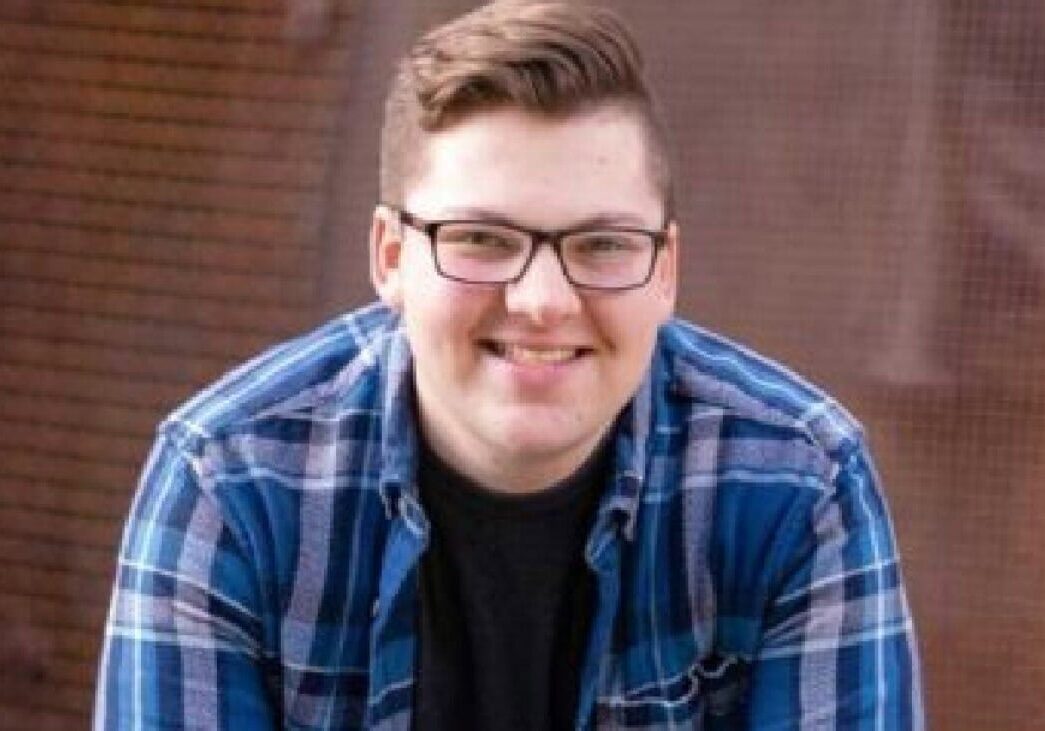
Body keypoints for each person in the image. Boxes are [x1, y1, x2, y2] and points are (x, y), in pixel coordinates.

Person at [94, 3, 923, 729]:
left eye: (601, 244)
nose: (540, 299)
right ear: (390, 256)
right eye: (482, 239)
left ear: (664, 271)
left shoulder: (798, 483)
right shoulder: (229, 481)